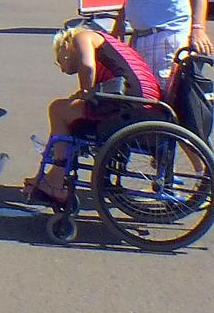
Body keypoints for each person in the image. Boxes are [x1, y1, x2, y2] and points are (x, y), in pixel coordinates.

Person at [25, 22, 159, 204]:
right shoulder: (107, 41)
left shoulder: (81, 37)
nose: (64, 70)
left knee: (57, 109)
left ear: (65, 46)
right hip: (144, 96)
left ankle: (55, 180)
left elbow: (87, 66)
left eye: (60, 61)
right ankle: (50, 176)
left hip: (130, 98)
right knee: (68, 111)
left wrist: (86, 92)